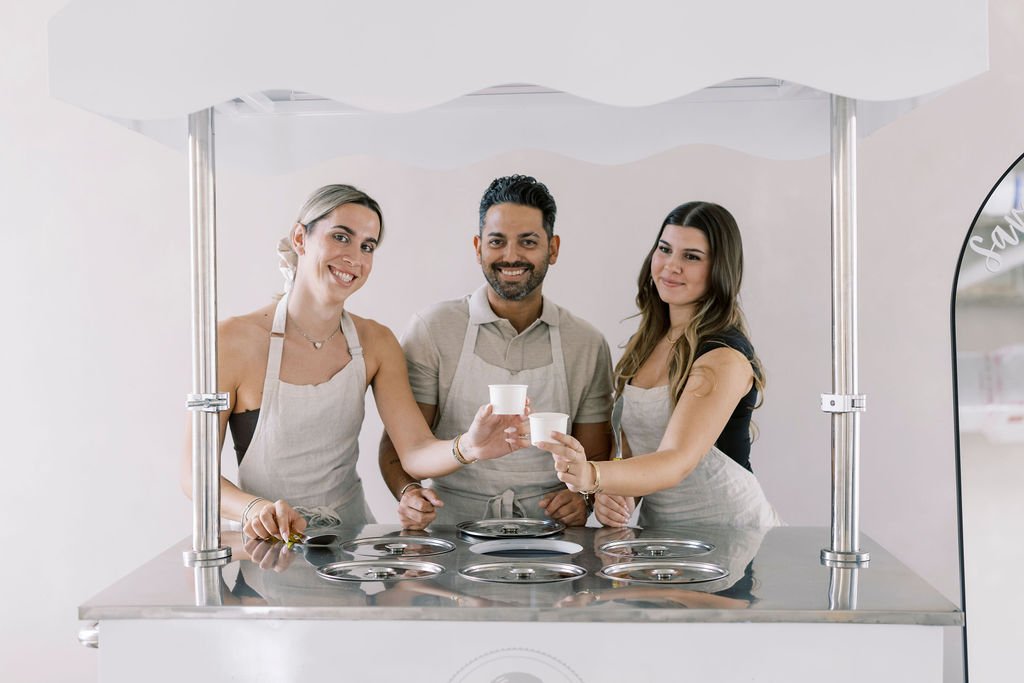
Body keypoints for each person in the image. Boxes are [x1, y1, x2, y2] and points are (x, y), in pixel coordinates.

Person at [180, 184, 526, 541]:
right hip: (267, 547)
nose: (355, 258)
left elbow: (415, 450)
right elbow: (195, 474)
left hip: (349, 547)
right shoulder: (231, 341)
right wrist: (253, 508)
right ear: (301, 238)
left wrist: (469, 446)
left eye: (367, 246)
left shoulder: (376, 343)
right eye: (341, 237)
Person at [379, 175, 614, 528]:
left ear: (553, 248)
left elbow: (595, 457)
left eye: (528, 242)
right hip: (452, 533)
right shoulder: (434, 329)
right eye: (497, 241)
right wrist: (409, 493)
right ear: (478, 247)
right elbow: (400, 447)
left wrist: (583, 498)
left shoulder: (586, 342)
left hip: (551, 538)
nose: (511, 256)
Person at [545, 201, 781, 528]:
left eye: (691, 257)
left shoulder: (723, 357)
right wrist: (617, 494)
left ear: (719, 269)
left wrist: (593, 475)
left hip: (733, 537)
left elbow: (676, 461)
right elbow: (637, 451)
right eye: (665, 249)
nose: (671, 266)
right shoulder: (646, 345)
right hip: (665, 539)